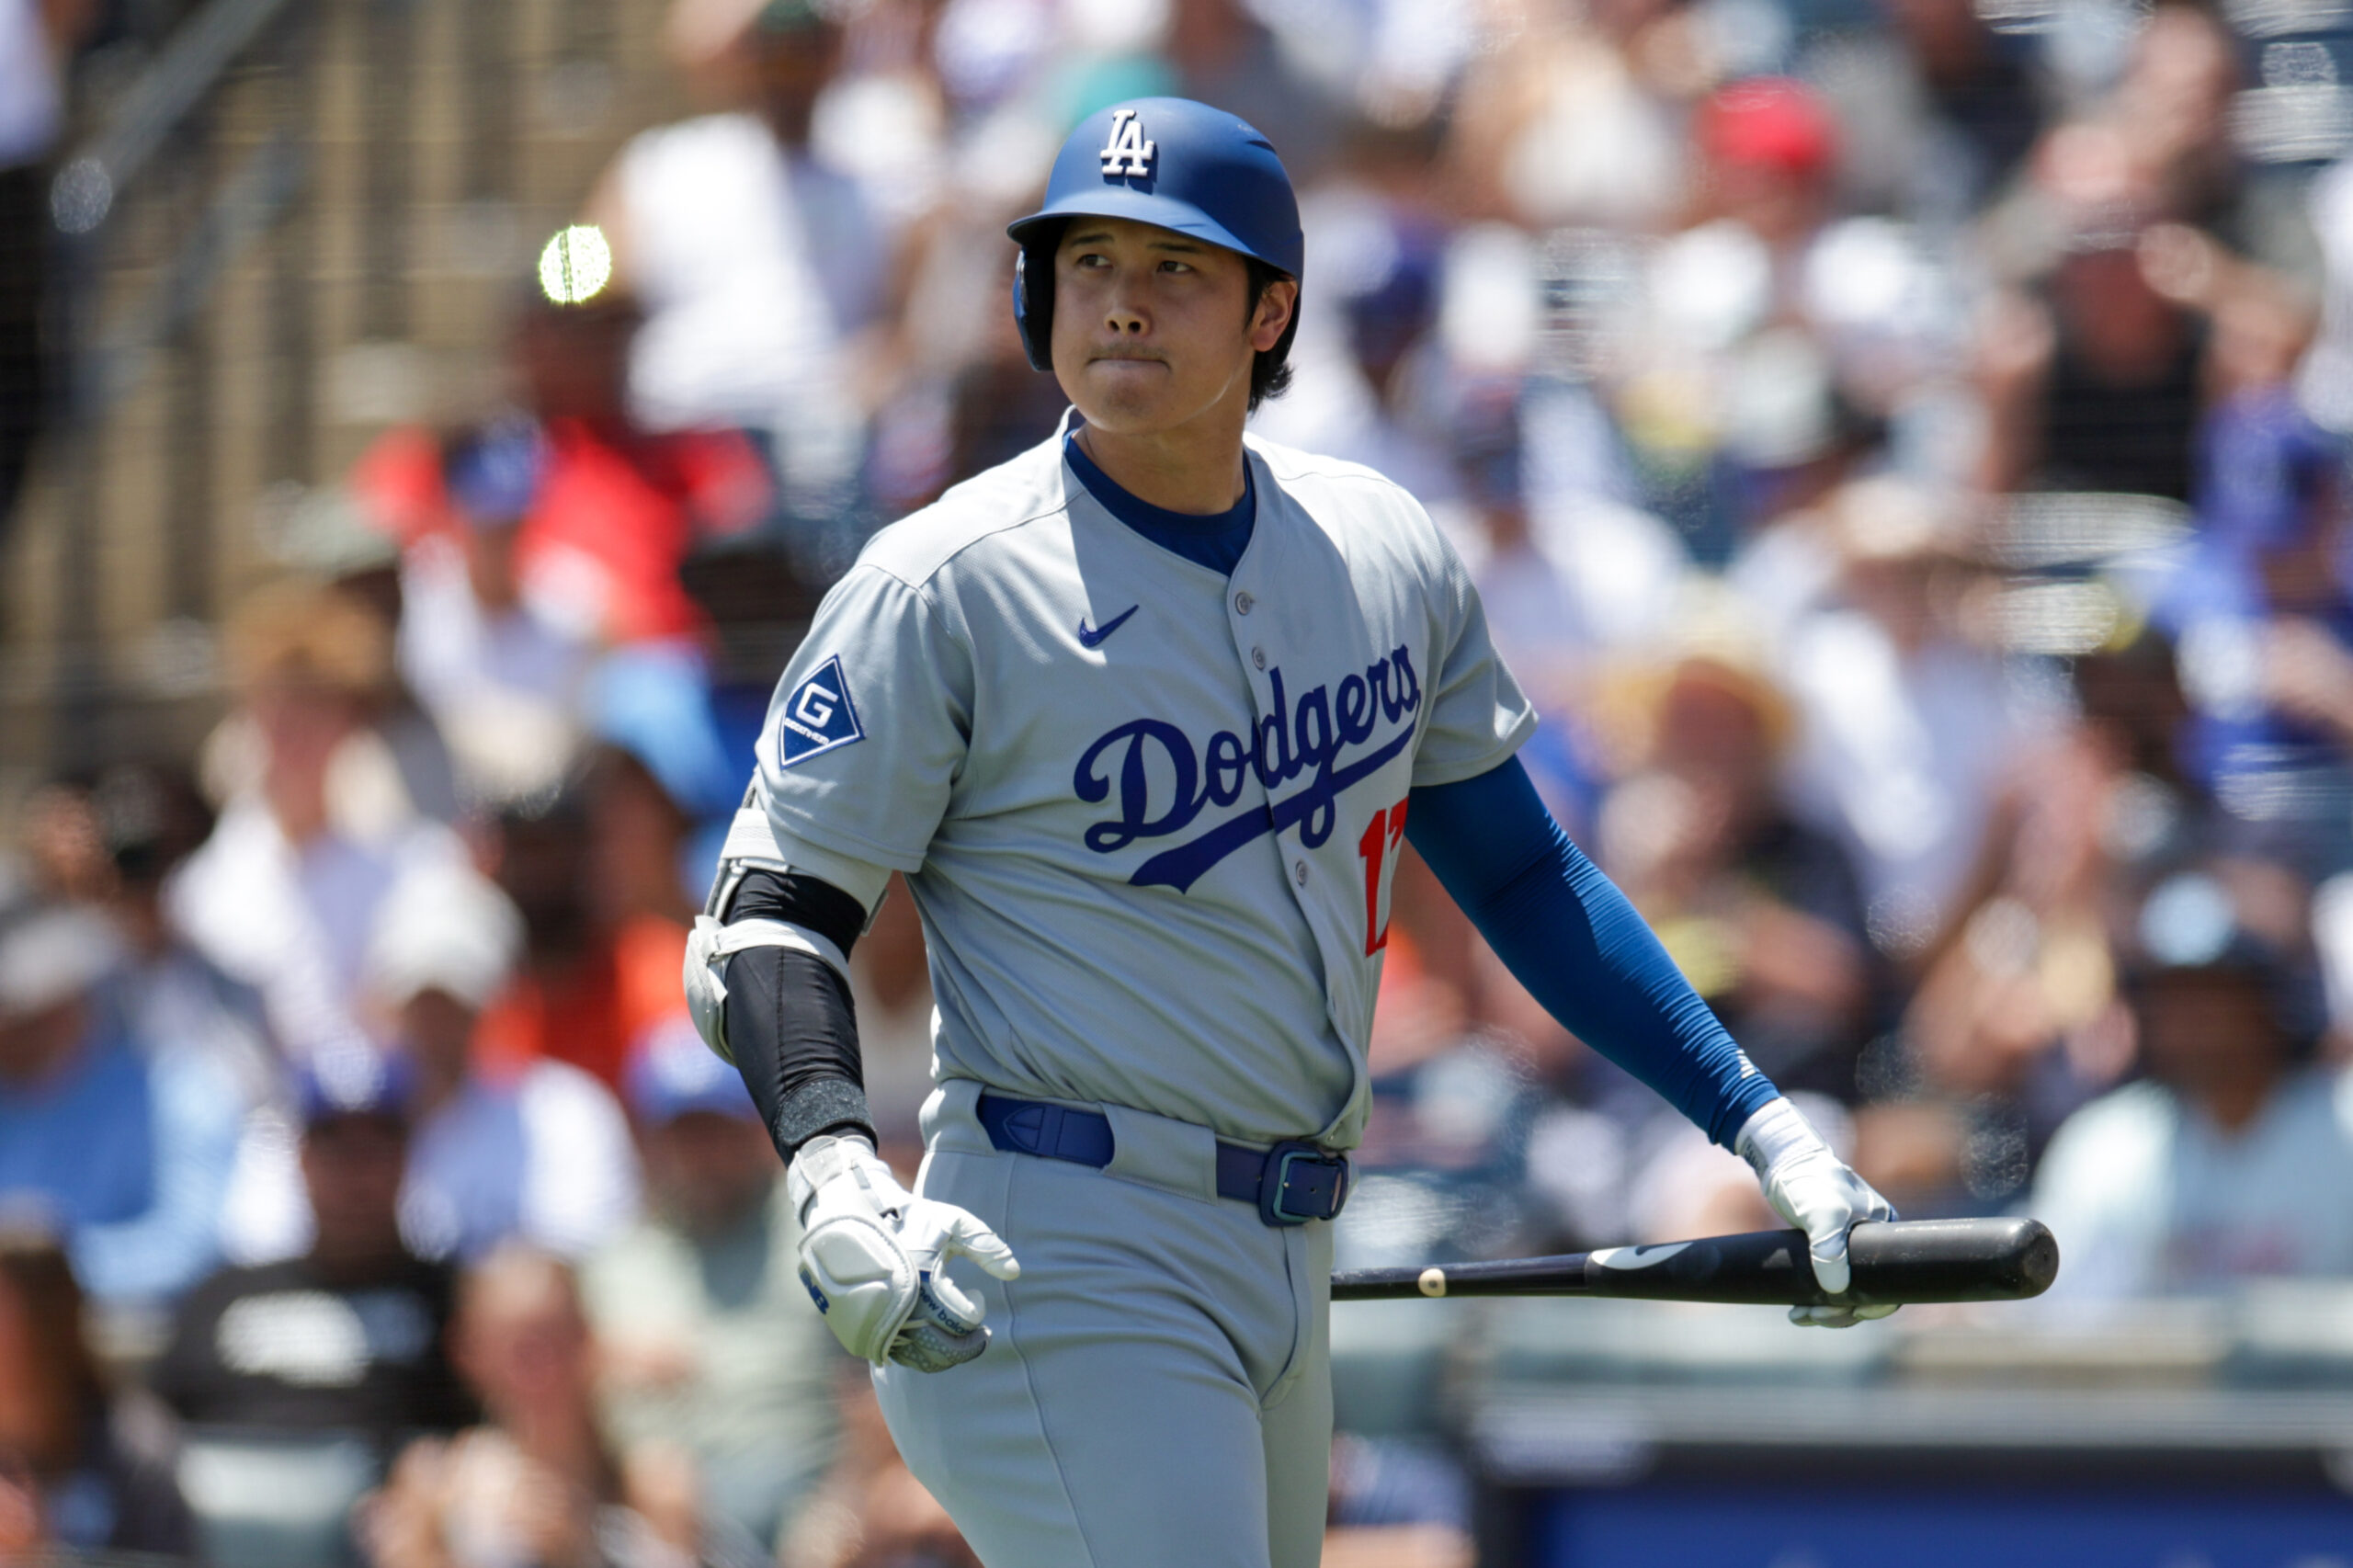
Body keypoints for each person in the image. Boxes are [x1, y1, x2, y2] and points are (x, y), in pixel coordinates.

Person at [684, 98, 1895, 1568]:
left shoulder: (1380, 548)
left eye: (1175, 267)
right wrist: (829, 1166)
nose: (1120, 298)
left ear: (1273, 311)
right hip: (1057, 1246)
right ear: (1032, 297)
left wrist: (1763, 1123)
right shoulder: (943, 581)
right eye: (1086, 262)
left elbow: (1524, 873)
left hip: (1289, 1244)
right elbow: (766, 915)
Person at [580, 1017, 840, 1555]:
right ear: (652, 1143)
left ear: (757, 1128)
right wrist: (599, 1362)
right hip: (662, 1514)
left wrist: (851, 1501)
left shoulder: (823, 1230)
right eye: (685, 1134)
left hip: (816, 1497)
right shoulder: (616, 1262)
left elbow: (876, 1397)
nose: (703, 1155)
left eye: (718, 1131)